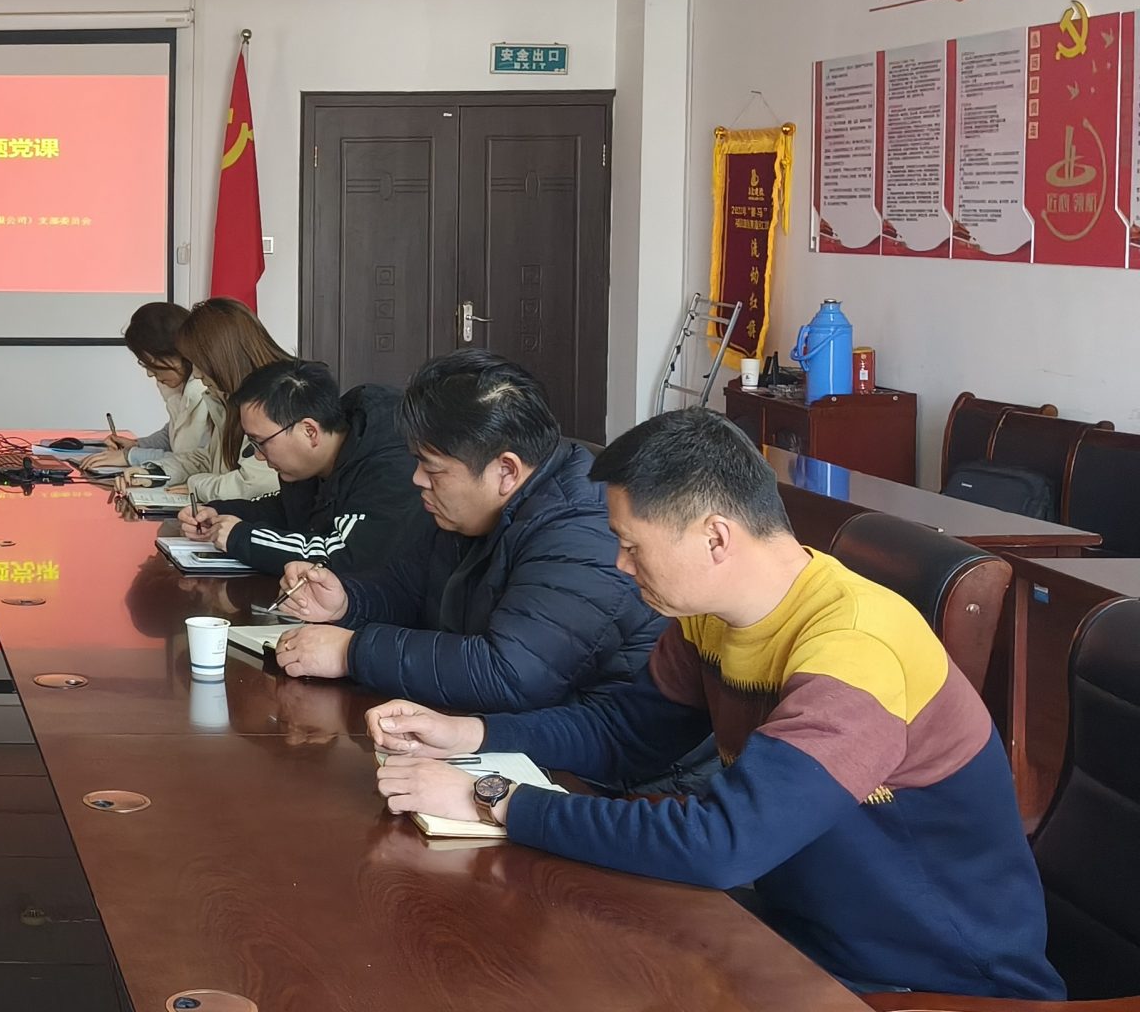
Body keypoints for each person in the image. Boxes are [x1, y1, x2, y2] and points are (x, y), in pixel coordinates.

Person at [370, 408, 1062, 1002]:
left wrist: (493, 797)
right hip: (798, 937)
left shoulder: (855, 652)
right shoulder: (714, 616)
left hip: (929, 984)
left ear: (715, 537)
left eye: (631, 545)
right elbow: (624, 734)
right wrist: (470, 733)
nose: (620, 565)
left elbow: (723, 843)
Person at [264, 349, 660, 711]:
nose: (417, 479)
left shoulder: (583, 531)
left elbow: (509, 672)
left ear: (506, 470)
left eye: (432, 468)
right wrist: (346, 602)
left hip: (597, 752)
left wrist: (352, 652)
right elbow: (407, 590)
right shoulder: (467, 508)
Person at [178, 358, 434, 580]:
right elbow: (289, 511)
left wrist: (241, 537)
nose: (258, 455)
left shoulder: (391, 466)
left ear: (309, 431)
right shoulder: (317, 462)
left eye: (261, 442)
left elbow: (345, 556)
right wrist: (219, 512)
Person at [147, 297, 288, 502]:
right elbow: (210, 458)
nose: (196, 375)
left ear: (221, 356)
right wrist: (156, 472)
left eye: (198, 363)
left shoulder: (275, 399)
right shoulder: (227, 397)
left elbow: (252, 484)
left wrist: (196, 486)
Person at [80, 301, 219, 479]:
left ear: (177, 351)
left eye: (153, 364)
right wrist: (137, 444)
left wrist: (130, 456)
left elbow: (193, 460)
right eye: (144, 364)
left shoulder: (209, 392)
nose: (149, 373)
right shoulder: (179, 387)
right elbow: (174, 434)